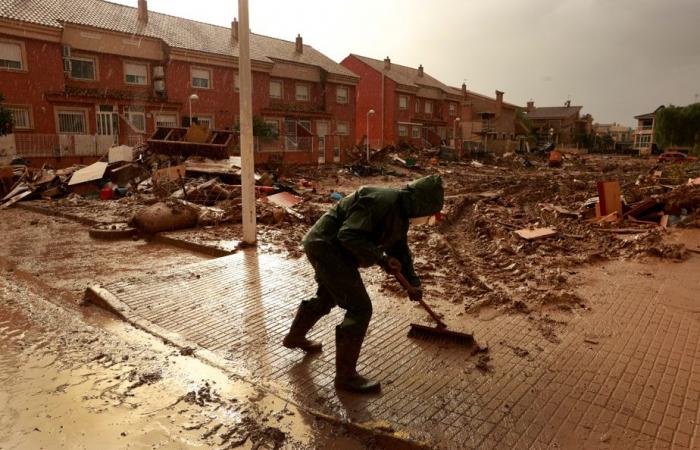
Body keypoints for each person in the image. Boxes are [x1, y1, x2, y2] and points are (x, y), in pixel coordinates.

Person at [282, 175, 444, 393]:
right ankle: (346, 378)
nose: (423, 218)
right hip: (326, 247)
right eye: (426, 213)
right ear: (420, 203)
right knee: (360, 308)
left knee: (327, 296)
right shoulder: (380, 200)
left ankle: (294, 337)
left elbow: (400, 253)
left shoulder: (400, 215)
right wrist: (381, 259)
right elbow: (348, 234)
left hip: (336, 251)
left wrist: (413, 284)